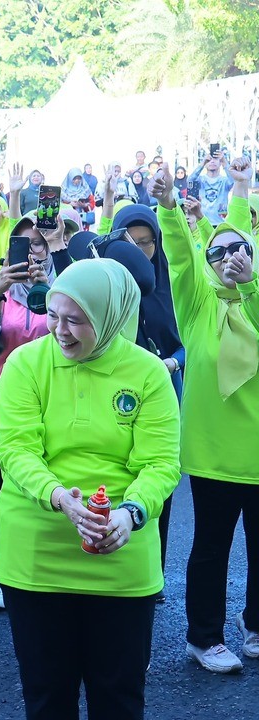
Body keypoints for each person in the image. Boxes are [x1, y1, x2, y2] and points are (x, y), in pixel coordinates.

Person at [0, 258, 180, 720]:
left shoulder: (148, 373)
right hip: (36, 557)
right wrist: (59, 498)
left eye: (77, 321)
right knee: (46, 697)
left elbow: (160, 464)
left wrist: (130, 514)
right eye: (54, 315)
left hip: (122, 559)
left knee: (119, 699)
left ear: (110, 316)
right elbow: (15, 451)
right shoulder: (25, 363)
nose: (60, 331)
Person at [151, 163, 259, 673]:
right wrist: (171, 208)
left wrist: (241, 189)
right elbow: (179, 256)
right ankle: (204, 636)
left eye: (241, 251)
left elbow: (242, 240)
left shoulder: (257, 299)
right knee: (212, 548)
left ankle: (256, 623)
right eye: (217, 252)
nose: (229, 259)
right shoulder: (196, 305)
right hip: (215, 452)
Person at [0, 222, 56, 611]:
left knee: (45, 485)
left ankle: (41, 569)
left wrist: (47, 291)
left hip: (48, 402)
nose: (32, 252)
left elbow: (65, 333)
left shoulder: (60, 286)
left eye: (38, 244)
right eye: (24, 244)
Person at [188, 149, 233, 225]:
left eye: (215, 159)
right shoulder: (200, 180)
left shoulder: (224, 181)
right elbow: (190, 180)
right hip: (203, 221)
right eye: (209, 160)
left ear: (220, 163)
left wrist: (224, 162)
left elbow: (233, 181)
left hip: (220, 222)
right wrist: (202, 163)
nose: (212, 161)